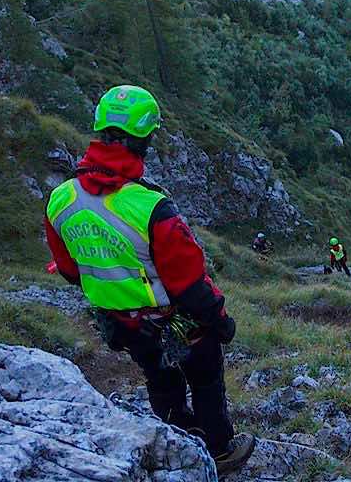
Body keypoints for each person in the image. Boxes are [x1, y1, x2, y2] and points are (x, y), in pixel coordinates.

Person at [44, 85, 255, 474]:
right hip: (173, 320)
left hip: (121, 322)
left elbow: (71, 271)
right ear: (146, 139)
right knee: (206, 376)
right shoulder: (152, 208)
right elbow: (190, 285)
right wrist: (220, 321)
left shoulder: (60, 200)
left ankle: (177, 438)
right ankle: (221, 450)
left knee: (159, 377)